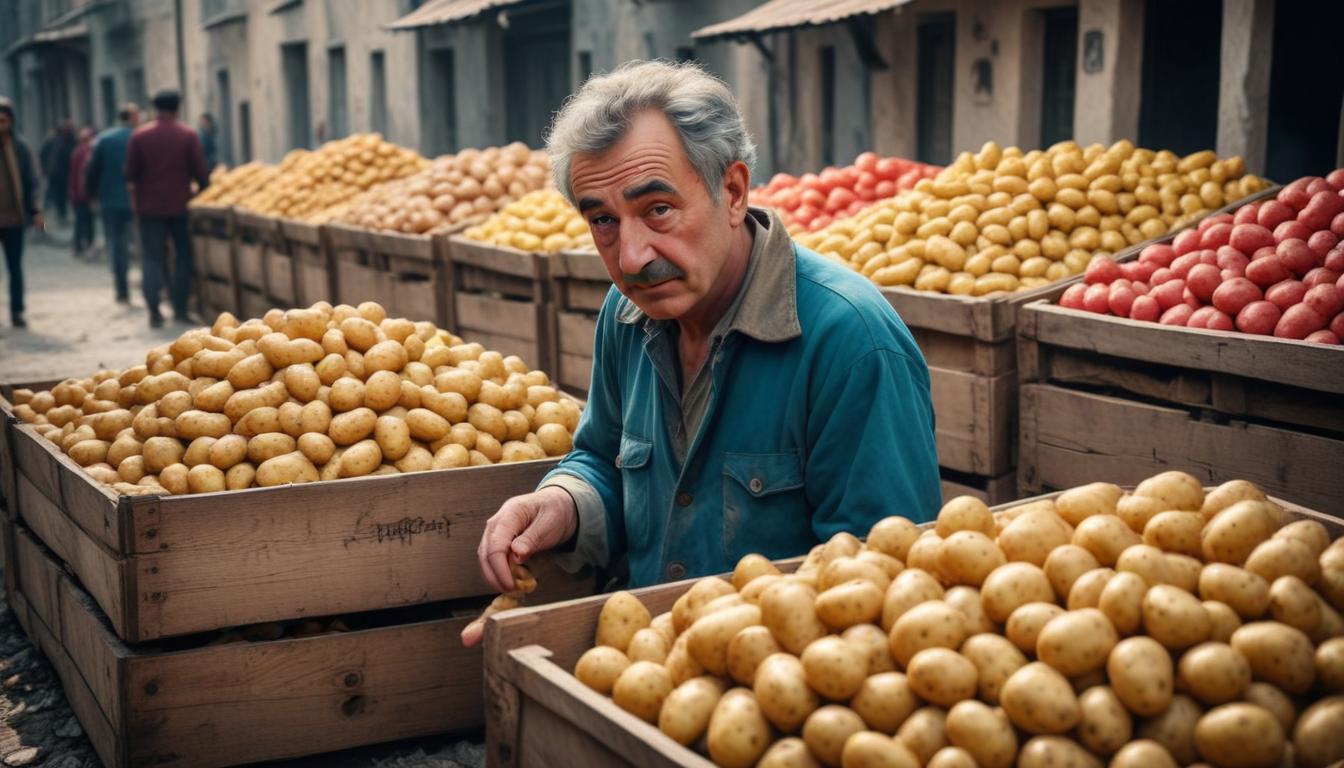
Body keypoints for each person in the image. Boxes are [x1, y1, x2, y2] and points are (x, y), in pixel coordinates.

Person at [468, 61, 941, 641]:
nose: (633, 255)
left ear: (734, 191)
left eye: (658, 209)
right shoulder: (627, 317)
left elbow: (886, 580)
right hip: (650, 665)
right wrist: (562, 504)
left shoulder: (852, 345)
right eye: (603, 221)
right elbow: (603, 459)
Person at [125, 90, 208, 326]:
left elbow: (129, 173)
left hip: (149, 208)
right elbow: (201, 173)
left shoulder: (140, 137)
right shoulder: (188, 135)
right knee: (183, 256)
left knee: (152, 258)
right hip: (179, 206)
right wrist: (200, 191)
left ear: (155, 109)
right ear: (177, 108)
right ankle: (180, 310)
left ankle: (154, 311)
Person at [88, 103, 140, 303]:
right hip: (135, 201)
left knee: (116, 245)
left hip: (109, 200)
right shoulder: (138, 137)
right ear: (133, 117)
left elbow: (92, 170)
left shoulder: (104, 139)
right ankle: (152, 288)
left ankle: (122, 288)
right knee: (141, 244)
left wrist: (92, 194)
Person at [0, 97, 43, 328]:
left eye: (4, 118)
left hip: (14, 219)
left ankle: (17, 311)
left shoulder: (19, 147)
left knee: (15, 267)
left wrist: (36, 211)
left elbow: (32, 181)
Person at [68, 125, 96, 259]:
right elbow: (75, 175)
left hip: (83, 194)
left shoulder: (81, 152)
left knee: (85, 221)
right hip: (83, 194)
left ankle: (82, 246)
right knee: (83, 221)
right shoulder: (81, 152)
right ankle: (81, 246)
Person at [39, 119, 74, 225]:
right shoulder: (52, 140)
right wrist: (46, 168)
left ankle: (61, 213)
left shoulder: (70, 139)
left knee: (62, 195)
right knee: (58, 195)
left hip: (65, 172)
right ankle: (59, 214)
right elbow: (43, 154)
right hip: (56, 173)